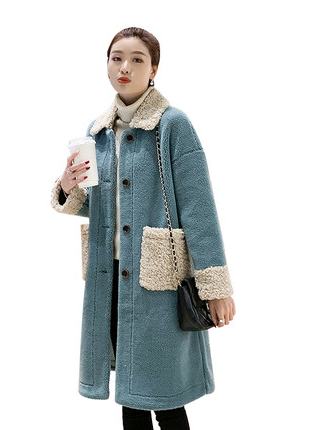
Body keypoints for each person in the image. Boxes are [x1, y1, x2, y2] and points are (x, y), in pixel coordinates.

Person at [51, 27, 236, 430]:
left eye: (137, 59)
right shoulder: (98, 132)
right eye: (117, 57)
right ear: (106, 65)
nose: (125, 67)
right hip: (111, 279)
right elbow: (102, 207)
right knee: (130, 394)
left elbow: (199, 209)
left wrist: (216, 287)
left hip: (158, 281)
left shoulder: (172, 125)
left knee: (165, 396)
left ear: (154, 69)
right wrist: (67, 186)